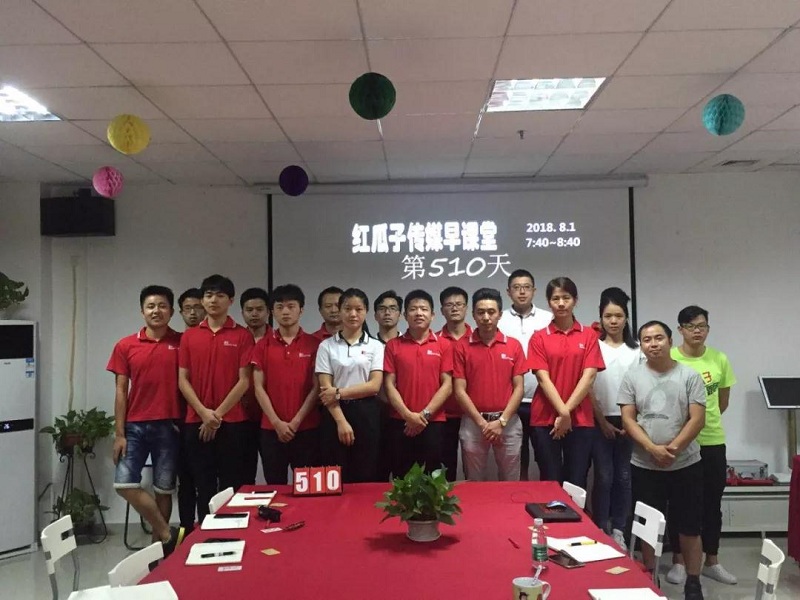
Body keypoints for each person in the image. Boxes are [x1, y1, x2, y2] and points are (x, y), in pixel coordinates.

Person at [619, 320, 706, 600]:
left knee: (689, 526)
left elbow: (697, 419)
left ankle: (693, 583)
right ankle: (651, 577)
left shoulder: (689, 376)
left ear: (670, 341)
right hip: (645, 465)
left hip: (686, 464)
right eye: (647, 340)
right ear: (641, 346)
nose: (653, 344)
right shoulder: (632, 377)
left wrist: (673, 449)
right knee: (648, 526)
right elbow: (628, 419)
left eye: (658, 338)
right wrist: (651, 449)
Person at [107, 285, 182, 554]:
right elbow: (120, 390)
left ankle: (157, 551)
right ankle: (166, 533)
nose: (156, 311)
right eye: (150, 306)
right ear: (142, 311)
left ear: (171, 311)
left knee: (164, 489)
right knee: (124, 484)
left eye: (162, 306)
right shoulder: (126, 345)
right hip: (135, 426)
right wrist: (119, 433)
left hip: (170, 425)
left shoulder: (182, 342)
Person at [666, 306, 737, 586]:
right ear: (680, 330)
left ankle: (712, 561)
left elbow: (722, 402)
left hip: (712, 440)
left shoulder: (719, 359)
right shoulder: (670, 358)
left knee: (711, 503)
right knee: (679, 502)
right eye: (691, 326)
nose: (697, 331)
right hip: (679, 442)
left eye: (702, 326)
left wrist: (703, 423)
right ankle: (679, 561)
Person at [178, 274, 254, 521]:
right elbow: (182, 380)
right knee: (203, 484)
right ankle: (205, 534)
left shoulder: (242, 336)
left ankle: (232, 533)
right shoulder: (189, 336)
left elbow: (244, 381)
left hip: (232, 422)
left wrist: (216, 416)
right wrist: (204, 414)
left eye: (220, 295)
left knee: (231, 484)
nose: (213, 300)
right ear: (202, 300)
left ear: (230, 300)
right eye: (209, 295)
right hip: (196, 421)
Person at [528, 277, 604, 488]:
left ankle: (574, 513)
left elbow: (589, 377)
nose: (561, 303)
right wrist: (564, 413)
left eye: (566, 298)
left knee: (576, 480)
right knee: (549, 479)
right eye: (555, 299)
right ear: (548, 302)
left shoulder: (589, 335)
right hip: (545, 418)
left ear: (575, 300)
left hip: (580, 419)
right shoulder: (539, 337)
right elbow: (542, 378)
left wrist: (565, 413)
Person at [251, 284, 321, 484]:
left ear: (301, 310)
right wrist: (276, 423)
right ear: (272, 311)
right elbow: (258, 387)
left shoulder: (315, 344)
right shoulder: (262, 345)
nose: (285, 312)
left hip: (307, 428)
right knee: (275, 487)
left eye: (291, 306)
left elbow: (317, 387)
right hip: (271, 429)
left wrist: (296, 421)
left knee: (306, 487)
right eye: (280, 307)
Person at [453, 288, 525, 481]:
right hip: (473, 423)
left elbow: (519, 388)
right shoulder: (461, 346)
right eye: (481, 312)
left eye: (491, 312)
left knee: (511, 482)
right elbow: (459, 390)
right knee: (474, 482)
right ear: (473, 315)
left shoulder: (513, 345)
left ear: (500, 314)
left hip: (508, 422)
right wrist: (483, 424)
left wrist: (501, 422)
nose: (486, 317)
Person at [589, 287, 640, 549]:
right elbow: (588, 388)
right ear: (600, 317)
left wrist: (631, 422)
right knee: (603, 476)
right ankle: (600, 527)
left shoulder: (637, 349)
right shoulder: (593, 347)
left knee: (623, 476)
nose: (613, 321)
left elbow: (643, 387)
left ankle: (619, 528)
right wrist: (602, 421)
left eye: (618, 316)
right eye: (608, 316)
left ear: (626, 318)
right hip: (600, 421)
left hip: (629, 421)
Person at [315, 288, 384, 483]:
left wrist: (338, 392)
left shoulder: (375, 346)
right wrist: (341, 422)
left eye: (358, 309)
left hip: (367, 413)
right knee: (335, 476)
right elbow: (325, 390)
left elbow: (374, 386)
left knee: (367, 473)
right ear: (340, 310)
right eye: (347, 309)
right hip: (335, 414)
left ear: (366, 312)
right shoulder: (326, 346)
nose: (353, 314)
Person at [384, 289, 453, 477]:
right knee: (402, 477)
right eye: (413, 309)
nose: (419, 313)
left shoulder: (444, 345)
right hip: (401, 422)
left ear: (432, 315)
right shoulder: (393, 345)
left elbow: (447, 385)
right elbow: (389, 385)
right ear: (405, 315)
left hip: (434, 421)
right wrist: (408, 416)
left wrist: (424, 416)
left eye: (424, 309)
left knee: (433, 478)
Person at [498, 269, 552, 480]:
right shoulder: (498, 319)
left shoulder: (548, 318)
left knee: (545, 456)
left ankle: (547, 496)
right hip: (510, 401)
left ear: (534, 291)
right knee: (516, 459)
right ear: (508, 292)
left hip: (543, 399)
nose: (522, 292)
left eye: (526, 287)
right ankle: (518, 496)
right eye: (516, 288)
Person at [176, 287, 204, 532]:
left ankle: (207, 527)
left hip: (207, 418)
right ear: (181, 312)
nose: (193, 313)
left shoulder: (210, 340)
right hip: (180, 420)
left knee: (208, 480)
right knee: (185, 479)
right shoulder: (178, 341)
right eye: (188, 309)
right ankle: (185, 530)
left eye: (198, 308)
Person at [438, 286, 471, 481]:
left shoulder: (477, 338)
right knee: (445, 467)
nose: (455, 308)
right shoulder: (435, 340)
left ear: (466, 308)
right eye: (449, 305)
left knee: (473, 470)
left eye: (459, 304)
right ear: (442, 310)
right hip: (444, 414)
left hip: (473, 414)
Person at [239, 287, 271, 485]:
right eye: (249, 310)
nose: (254, 314)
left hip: (271, 415)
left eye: (259, 309)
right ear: (242, 312)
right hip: (241, 416)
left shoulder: (276, 340)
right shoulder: (236, 339)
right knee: (244, 472)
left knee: (273, 472)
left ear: (268, 311)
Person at [374, 290, 403, 481]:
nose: (387, 313)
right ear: (375, 314)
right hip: (375, 415)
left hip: (403, 415)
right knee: (377, 471)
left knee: (404, 471)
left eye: (392, 308)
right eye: (382, 309)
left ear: (400, 314)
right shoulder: (367, 345)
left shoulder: (407, 344)